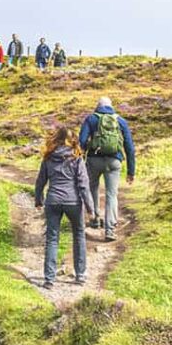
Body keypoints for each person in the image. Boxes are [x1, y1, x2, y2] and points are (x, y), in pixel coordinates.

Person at [35, 126, 95, 289]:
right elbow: (83, 185)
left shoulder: (48, 158)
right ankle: (80, 275)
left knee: (52, 238)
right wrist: (90, 209)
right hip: (73, 202)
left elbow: (41, 181)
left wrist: (38, 200)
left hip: (53, 201)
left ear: (56, 139)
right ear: (72, 139)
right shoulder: (77, 158)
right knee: (79, 235)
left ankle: (49, 279)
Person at [78, 97, 136, 241]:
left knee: (92, 188)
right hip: (114, 161)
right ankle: (110, 230)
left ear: (97, 106)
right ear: (111, 106)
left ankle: (95, 218)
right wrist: (131, 171)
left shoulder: (91, 119)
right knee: (111, 195)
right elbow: (129, 147)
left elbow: (82, 141)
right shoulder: (120, 121)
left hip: (93, 160)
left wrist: (78, 161)